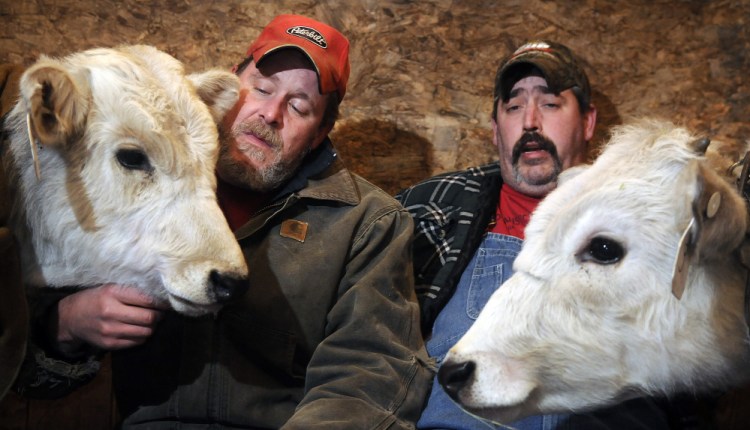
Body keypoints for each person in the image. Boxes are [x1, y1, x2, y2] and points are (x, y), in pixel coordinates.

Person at [12, 14, 431, 429]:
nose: (270, 113)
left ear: (320, 132)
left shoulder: (367, 223)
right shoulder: (124, 186)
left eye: (299, 107)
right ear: (227, 93)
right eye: (261, 89)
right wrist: (66, 326)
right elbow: (27, 374)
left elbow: (369, 378)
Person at [397, 40, 691, 429]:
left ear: (587, 122)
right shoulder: (433, 207)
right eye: (514, 106)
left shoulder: (652, 215)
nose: (530, 121)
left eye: (550, 104)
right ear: (495, 131)